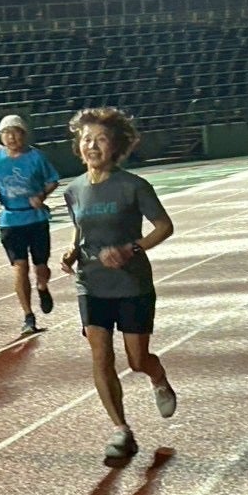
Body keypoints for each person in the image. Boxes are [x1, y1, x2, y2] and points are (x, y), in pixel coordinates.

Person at [60, 107, 178, 462]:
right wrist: (71, 251)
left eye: (101, 139)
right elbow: (80, 229)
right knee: (101, 356)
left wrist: (131, 248)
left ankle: (158, 377)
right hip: (91, 283)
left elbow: (164, 227)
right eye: (86, 139)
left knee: (137, 359)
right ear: (78, 146)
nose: (92, 146)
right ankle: (121, 430)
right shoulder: (74, 190)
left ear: (116, 146)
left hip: (131, 283)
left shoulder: (133, 186)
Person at [0, 114, 61, 336]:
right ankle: (28, 315)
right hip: (10, 220)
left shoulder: (36, 157)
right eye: (6, 133)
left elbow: (53, 180)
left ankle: (42, 286)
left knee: (41, 267)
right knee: (20, 267)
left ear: (24, 135)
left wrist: (42, 195)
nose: (11, 137)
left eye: (15, 132)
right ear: (1, 136)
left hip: (36, 219)